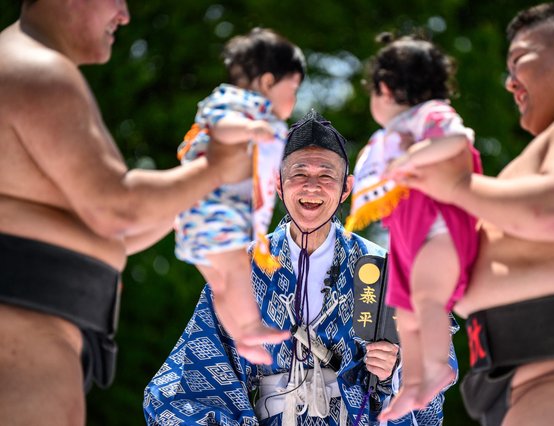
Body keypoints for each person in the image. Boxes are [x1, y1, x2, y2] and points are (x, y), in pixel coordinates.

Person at [0, 1, 252, 424]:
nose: (124, 14)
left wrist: (190, 189)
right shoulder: (37, 70)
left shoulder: (25, 67)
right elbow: (116, 210)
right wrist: (218, 167)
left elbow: (108, 235)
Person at [387, 3, 554, 426]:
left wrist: (458, 187)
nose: (509, 83)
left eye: (518, 60)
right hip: (533, 382)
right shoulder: (540, 157)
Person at [144, 111, 444, 426]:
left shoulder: (385, 269)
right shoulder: (242, 269)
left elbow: (436, 370)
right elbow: (193, 381)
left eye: (326, 175)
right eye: (299, 173)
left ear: (346, 188)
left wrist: (397, 370)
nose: (312, 186)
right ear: (278, 183)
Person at [345, 33, 480, 421]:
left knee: (427, 301)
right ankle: (414, 382)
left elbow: (457, 139)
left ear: (385, 89)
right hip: (412, 239)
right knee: (405, 313)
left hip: (440, 232)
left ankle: (435, 368)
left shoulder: (430, 116)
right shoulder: (388, 137)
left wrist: (413, 157)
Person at [174, 27, 305, 364]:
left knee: (221, 284)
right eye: (293, 88)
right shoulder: (239, 105)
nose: (294, 100)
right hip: (213, 207)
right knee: (236, 269)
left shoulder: (251, 111)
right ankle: (248, 326)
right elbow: (220, 126)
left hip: (197, 213)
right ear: (266, 83)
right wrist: (252, 129)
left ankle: (240, 337)